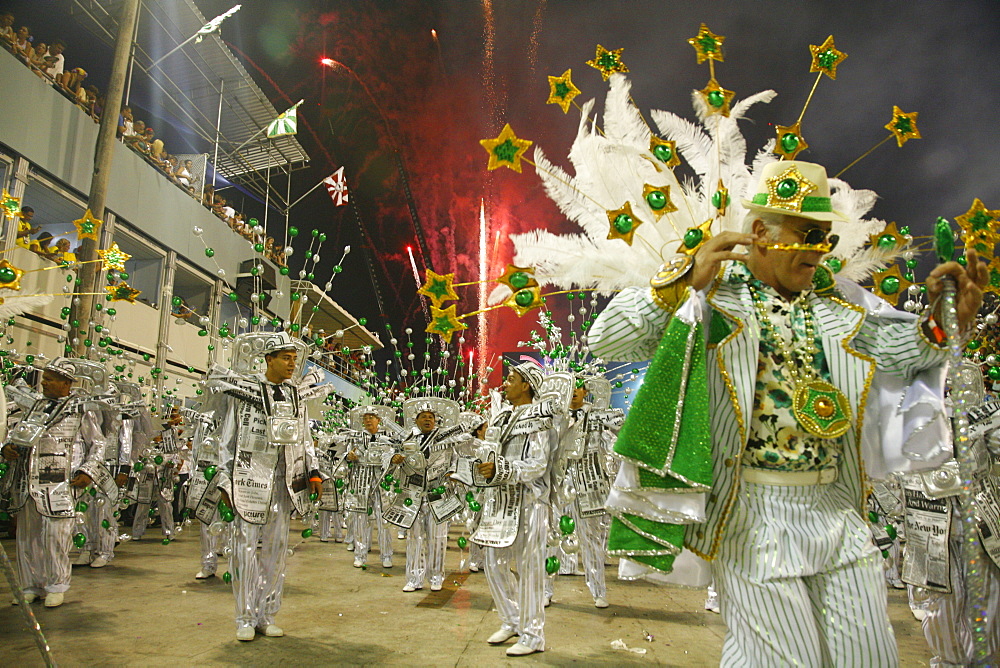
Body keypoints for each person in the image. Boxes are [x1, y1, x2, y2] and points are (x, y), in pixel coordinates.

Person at [588, 159, 987, 666]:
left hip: (837, 509)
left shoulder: (836, 308)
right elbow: (606, 340)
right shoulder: (713, 303)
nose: (820, 251)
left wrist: (946, 323)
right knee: (782, 659)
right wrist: (679, 284)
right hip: (752, 513)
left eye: (826, 239)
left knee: (871, 657)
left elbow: (903, 350)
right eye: (808, 234)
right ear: (760, 232)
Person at [205, 332, 324, 641]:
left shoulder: (296, 396)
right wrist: (223, 481)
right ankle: (244, 617)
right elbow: (226, 440)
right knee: (244, 549)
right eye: (286, 358)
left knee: (276, 551)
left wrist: (314, 473)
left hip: (285, 485)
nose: (292, 365)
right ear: (269, 359)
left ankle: (266, 614)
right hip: (248, 480)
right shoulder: (244, 391)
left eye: (295, 360)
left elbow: (304, 440)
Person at [0, 358, 108, 608]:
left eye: (51, 379)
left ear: (66, 384)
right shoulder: (29, 406)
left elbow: (98, 444)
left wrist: (88, 471)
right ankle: (30, 585)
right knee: (27, 538)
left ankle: (56, 584)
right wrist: (6, 448)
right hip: (26, 481)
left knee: (56, 536)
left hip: (60, 484)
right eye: (44, 378)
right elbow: (9, 434)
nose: (44, 382)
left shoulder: (80, 409)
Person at [474, 362, 557, 657]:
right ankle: (511, 620)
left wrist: (502, 468)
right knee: (493, 562)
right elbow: (490, 453)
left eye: (511, 379)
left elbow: (538, 464)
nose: (505, 384)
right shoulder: (502, 417)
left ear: (526, 385)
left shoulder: (540, 417)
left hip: (530, 501)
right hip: (500, 500)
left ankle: (533, 635)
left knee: (529, 568)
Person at [384, 399, 465, 591]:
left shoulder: (446, 440)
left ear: (436, 420)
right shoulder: (406, 439)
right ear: (416, 420)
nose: (428, 420)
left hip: (439, 494)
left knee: (438, 538)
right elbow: (388, 456)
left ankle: (436, 577)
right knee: (415, 538)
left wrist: (452, 473)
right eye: (424, 417)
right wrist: (394, 460)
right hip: (413, 494)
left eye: (431, 417)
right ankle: (414, 578)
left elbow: (456, 460)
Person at [340, 406, 396, 569]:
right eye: (365, 418)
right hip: (360, 482)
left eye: (372, 417)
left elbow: (394, 457)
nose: (368, 420)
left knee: (383, 520)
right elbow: (344, 455)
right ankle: (360, 555)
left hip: (381, 484)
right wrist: (349, 457)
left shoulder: (388, 438)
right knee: (360, 520)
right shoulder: (355, 438)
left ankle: (386, 555)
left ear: (378, 420)